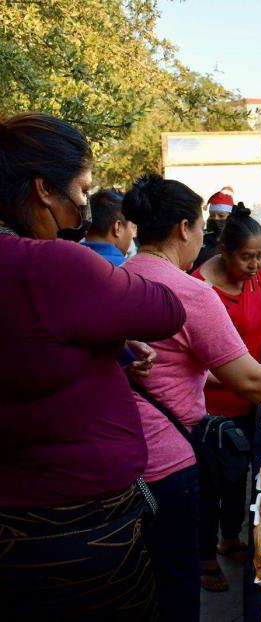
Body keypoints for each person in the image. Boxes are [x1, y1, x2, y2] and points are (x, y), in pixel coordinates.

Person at [0, 112, 186, 620]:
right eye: (81, 192)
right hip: (76, 536)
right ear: (43, 190)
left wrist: (103, 345)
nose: (83, 207)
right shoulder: (48, 264)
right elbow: (165, 310)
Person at [122, 174, 261, 621]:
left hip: (123, 455)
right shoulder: (190, 291)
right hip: (166, 459)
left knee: (143, 581)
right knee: (176, 585)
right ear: (183, 228)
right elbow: (249, 380)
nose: (203, 239)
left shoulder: (122, 276)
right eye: (200, 228)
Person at [192, 205, 261, 591]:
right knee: (209, 486)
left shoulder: (256, 277)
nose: (254, 265)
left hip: (251, 397)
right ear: (223, 251)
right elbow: (193, 359)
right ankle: (203, 558)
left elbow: (260, 317)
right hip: (213, 407)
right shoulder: (199, 287)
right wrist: (237, 378)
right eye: (246, 257)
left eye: (260, 257)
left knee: (239, 477)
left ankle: (229, 538)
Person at [81, 188, 137, 266]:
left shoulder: (65, 257)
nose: (133, 235)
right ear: (118, 227)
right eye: (132, 227)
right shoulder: (128, 270)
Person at [192, 185, 234, 270]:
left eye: (221, 216)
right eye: (212, 215)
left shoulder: (236, 241)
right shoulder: (201, 238)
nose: (215, 218)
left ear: (230, 217)